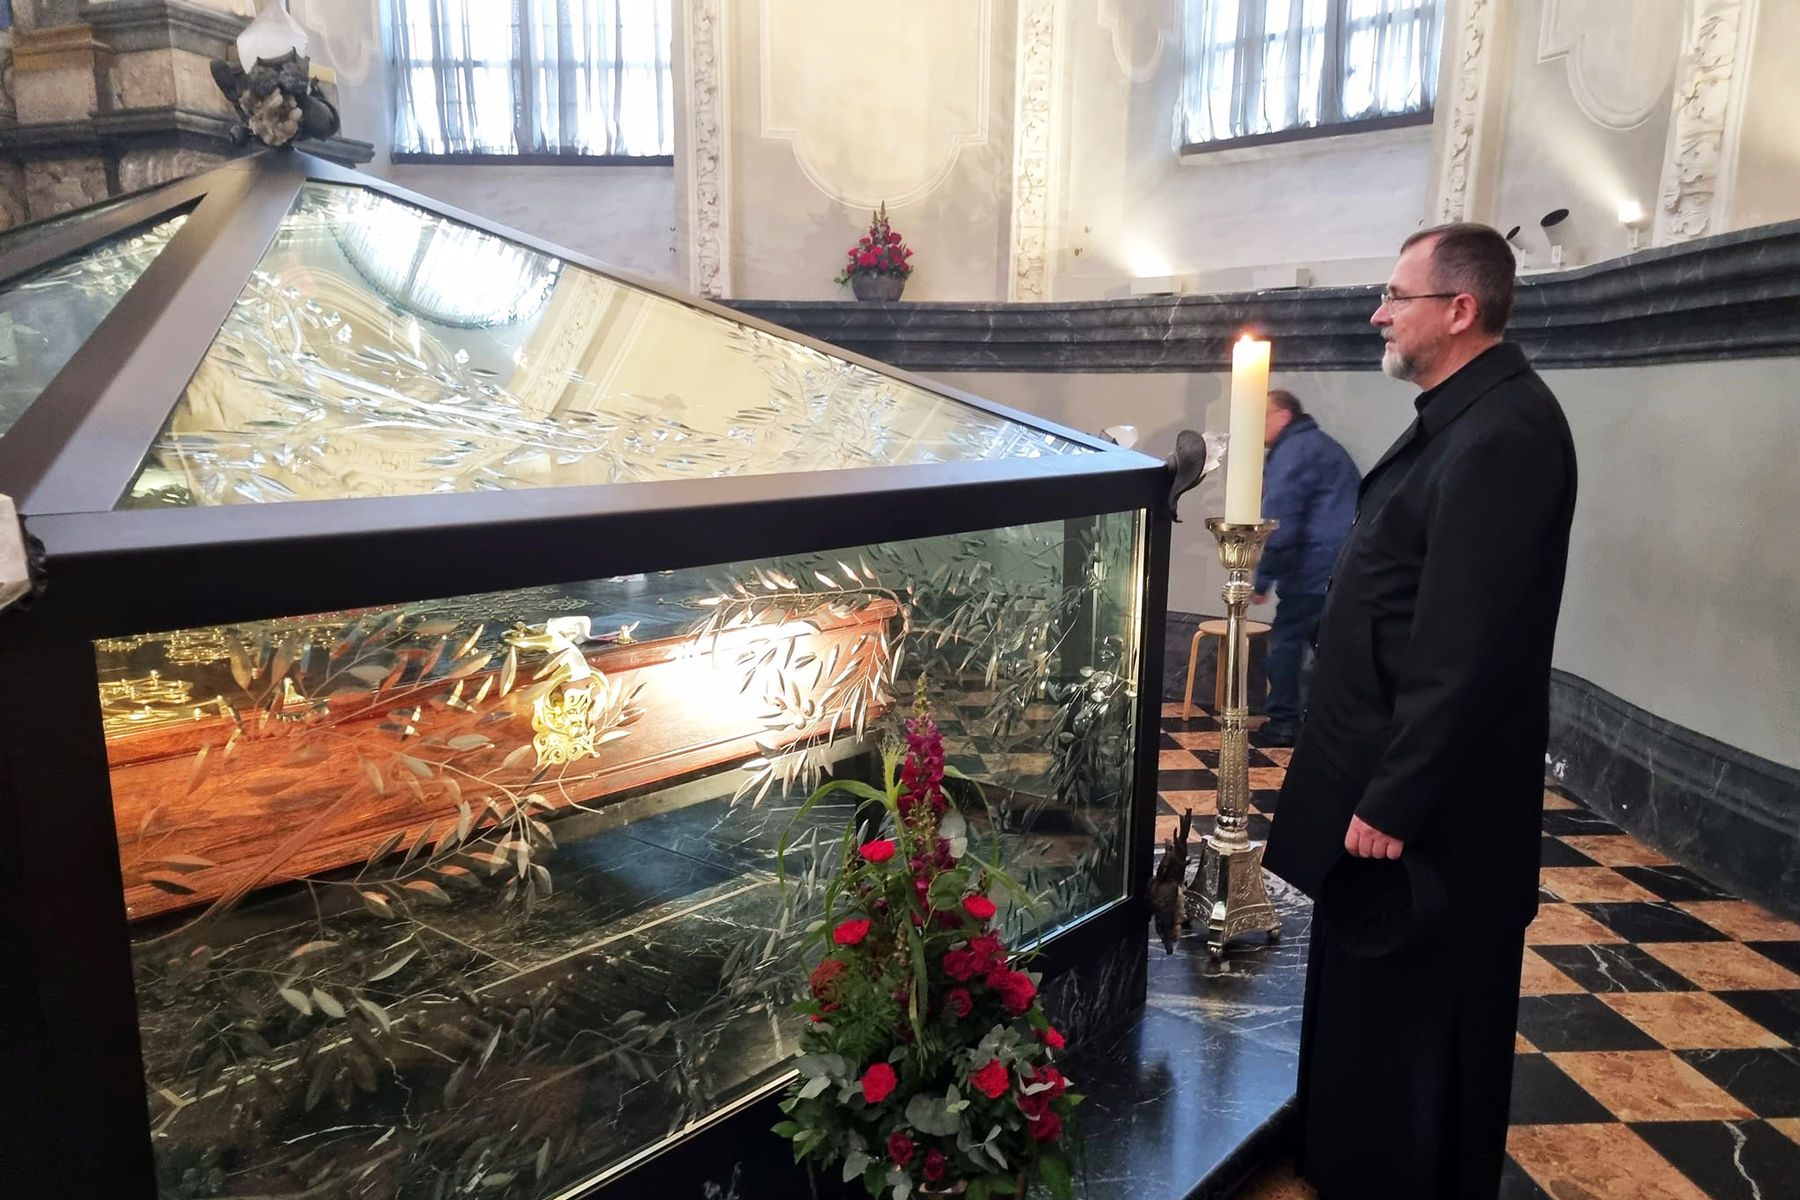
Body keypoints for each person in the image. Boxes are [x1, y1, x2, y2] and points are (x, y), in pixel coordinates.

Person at [1261, 223, 1578, 1200]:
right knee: (1372, 1001)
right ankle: (1356, 1163)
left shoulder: (1506, 433)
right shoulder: (1462, 416)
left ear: (1460, 309)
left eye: (1396, 296)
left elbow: (1466, 650)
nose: (1378, 313)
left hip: (1432, 811)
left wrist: (1393, 800)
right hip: (1383, 775)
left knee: (1424, 1012)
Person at [1249, 391, 1360, 747]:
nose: (1255, 427)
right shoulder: (1321, 445)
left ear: (1282, 415)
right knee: (1325, 647)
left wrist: (1263, 578)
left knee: (1285, 642)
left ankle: (1283, 723)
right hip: (1343, 564)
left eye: (1260, 417)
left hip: (1314, 566)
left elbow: (1282, 523)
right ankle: (1324, 725)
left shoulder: (1294, 453)